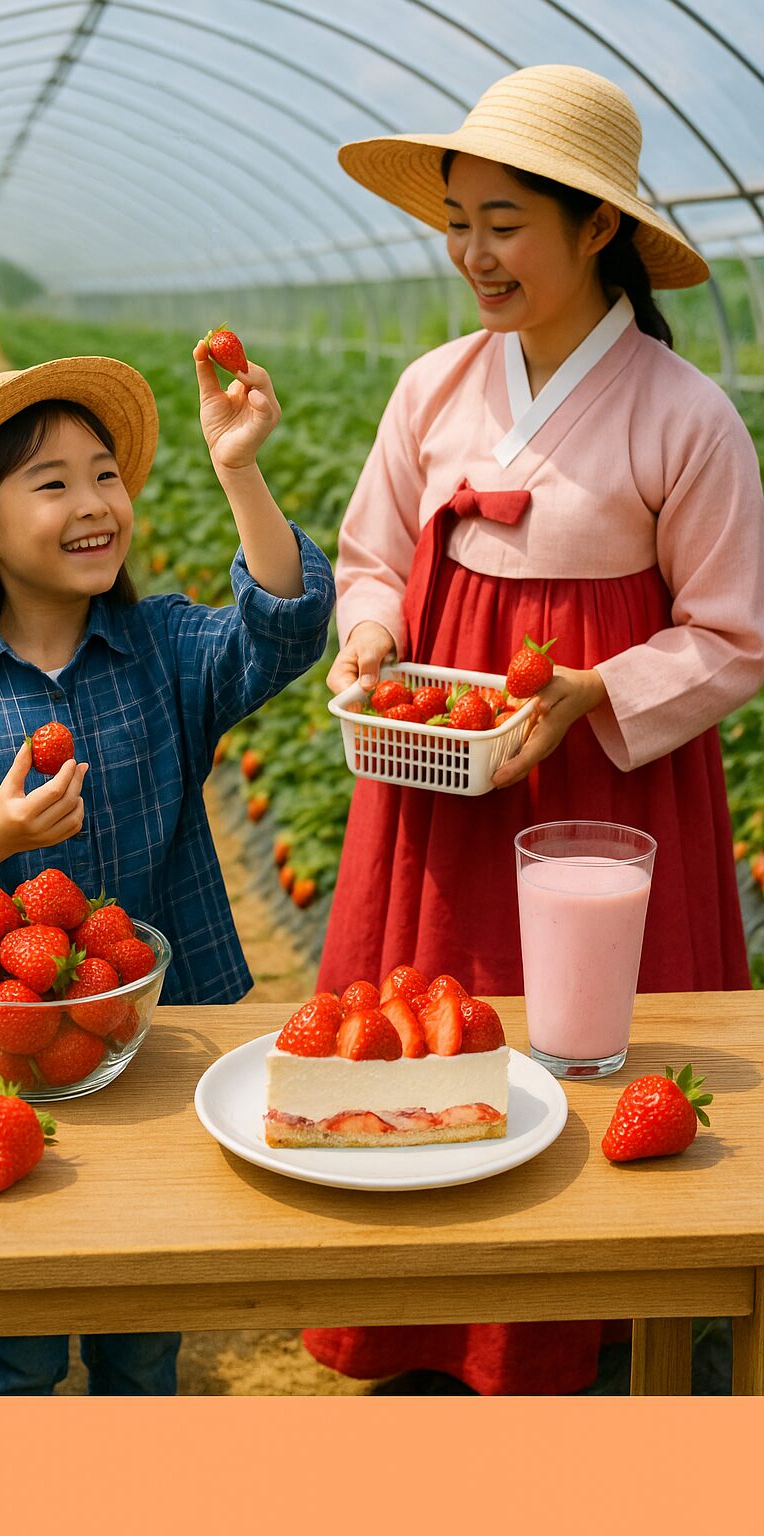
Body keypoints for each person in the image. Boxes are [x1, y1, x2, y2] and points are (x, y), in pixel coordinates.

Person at [308, 65, 764, 1394]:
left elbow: (734, 634)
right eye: (458, 220)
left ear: (597, 227)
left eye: (503, 220)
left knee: (587, 1045)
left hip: (603, 797)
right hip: (439, 779)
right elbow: (371, 557)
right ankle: (424, 1331)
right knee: (426, 1026)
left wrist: (594, 690)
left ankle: (593, 1331)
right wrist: (374, 634)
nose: (471, 253)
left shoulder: (684, 417)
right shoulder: (433, 389)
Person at [0, 347, 335, 1394]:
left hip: (165, 1042)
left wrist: (238, 468)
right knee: (16, 1340)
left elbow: (285, 630)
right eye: (53, 482)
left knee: (141, 1326)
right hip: (6, 1059)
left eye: (105, 474)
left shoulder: (162, 647)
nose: (93, 502)